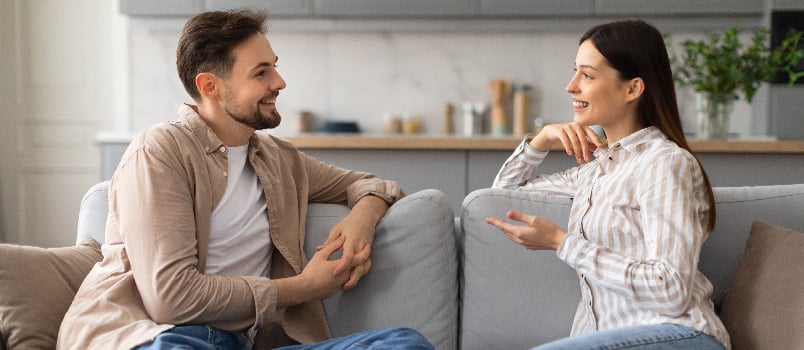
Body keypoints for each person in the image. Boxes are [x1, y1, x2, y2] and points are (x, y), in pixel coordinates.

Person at [57, 9, 433, 350]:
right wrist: (305, 287)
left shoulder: (278, 159)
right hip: (167, 336)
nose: (280, 82)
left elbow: (372, 184)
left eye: (275, 66)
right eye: (261, 72)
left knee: (405, 343)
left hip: (249, 344)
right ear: (210, 87)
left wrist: (360, 221)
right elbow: (170, 298)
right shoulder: (160, 150)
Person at [485, 20, 730, 350]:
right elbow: (501, 194)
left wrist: (563, 242)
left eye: (587, 75)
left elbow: (671, 291)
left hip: (680, 335)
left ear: (632, 89)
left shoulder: (664, 163)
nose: (571, 86)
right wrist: (542, 139)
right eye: (575, 72)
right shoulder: (596, 170)